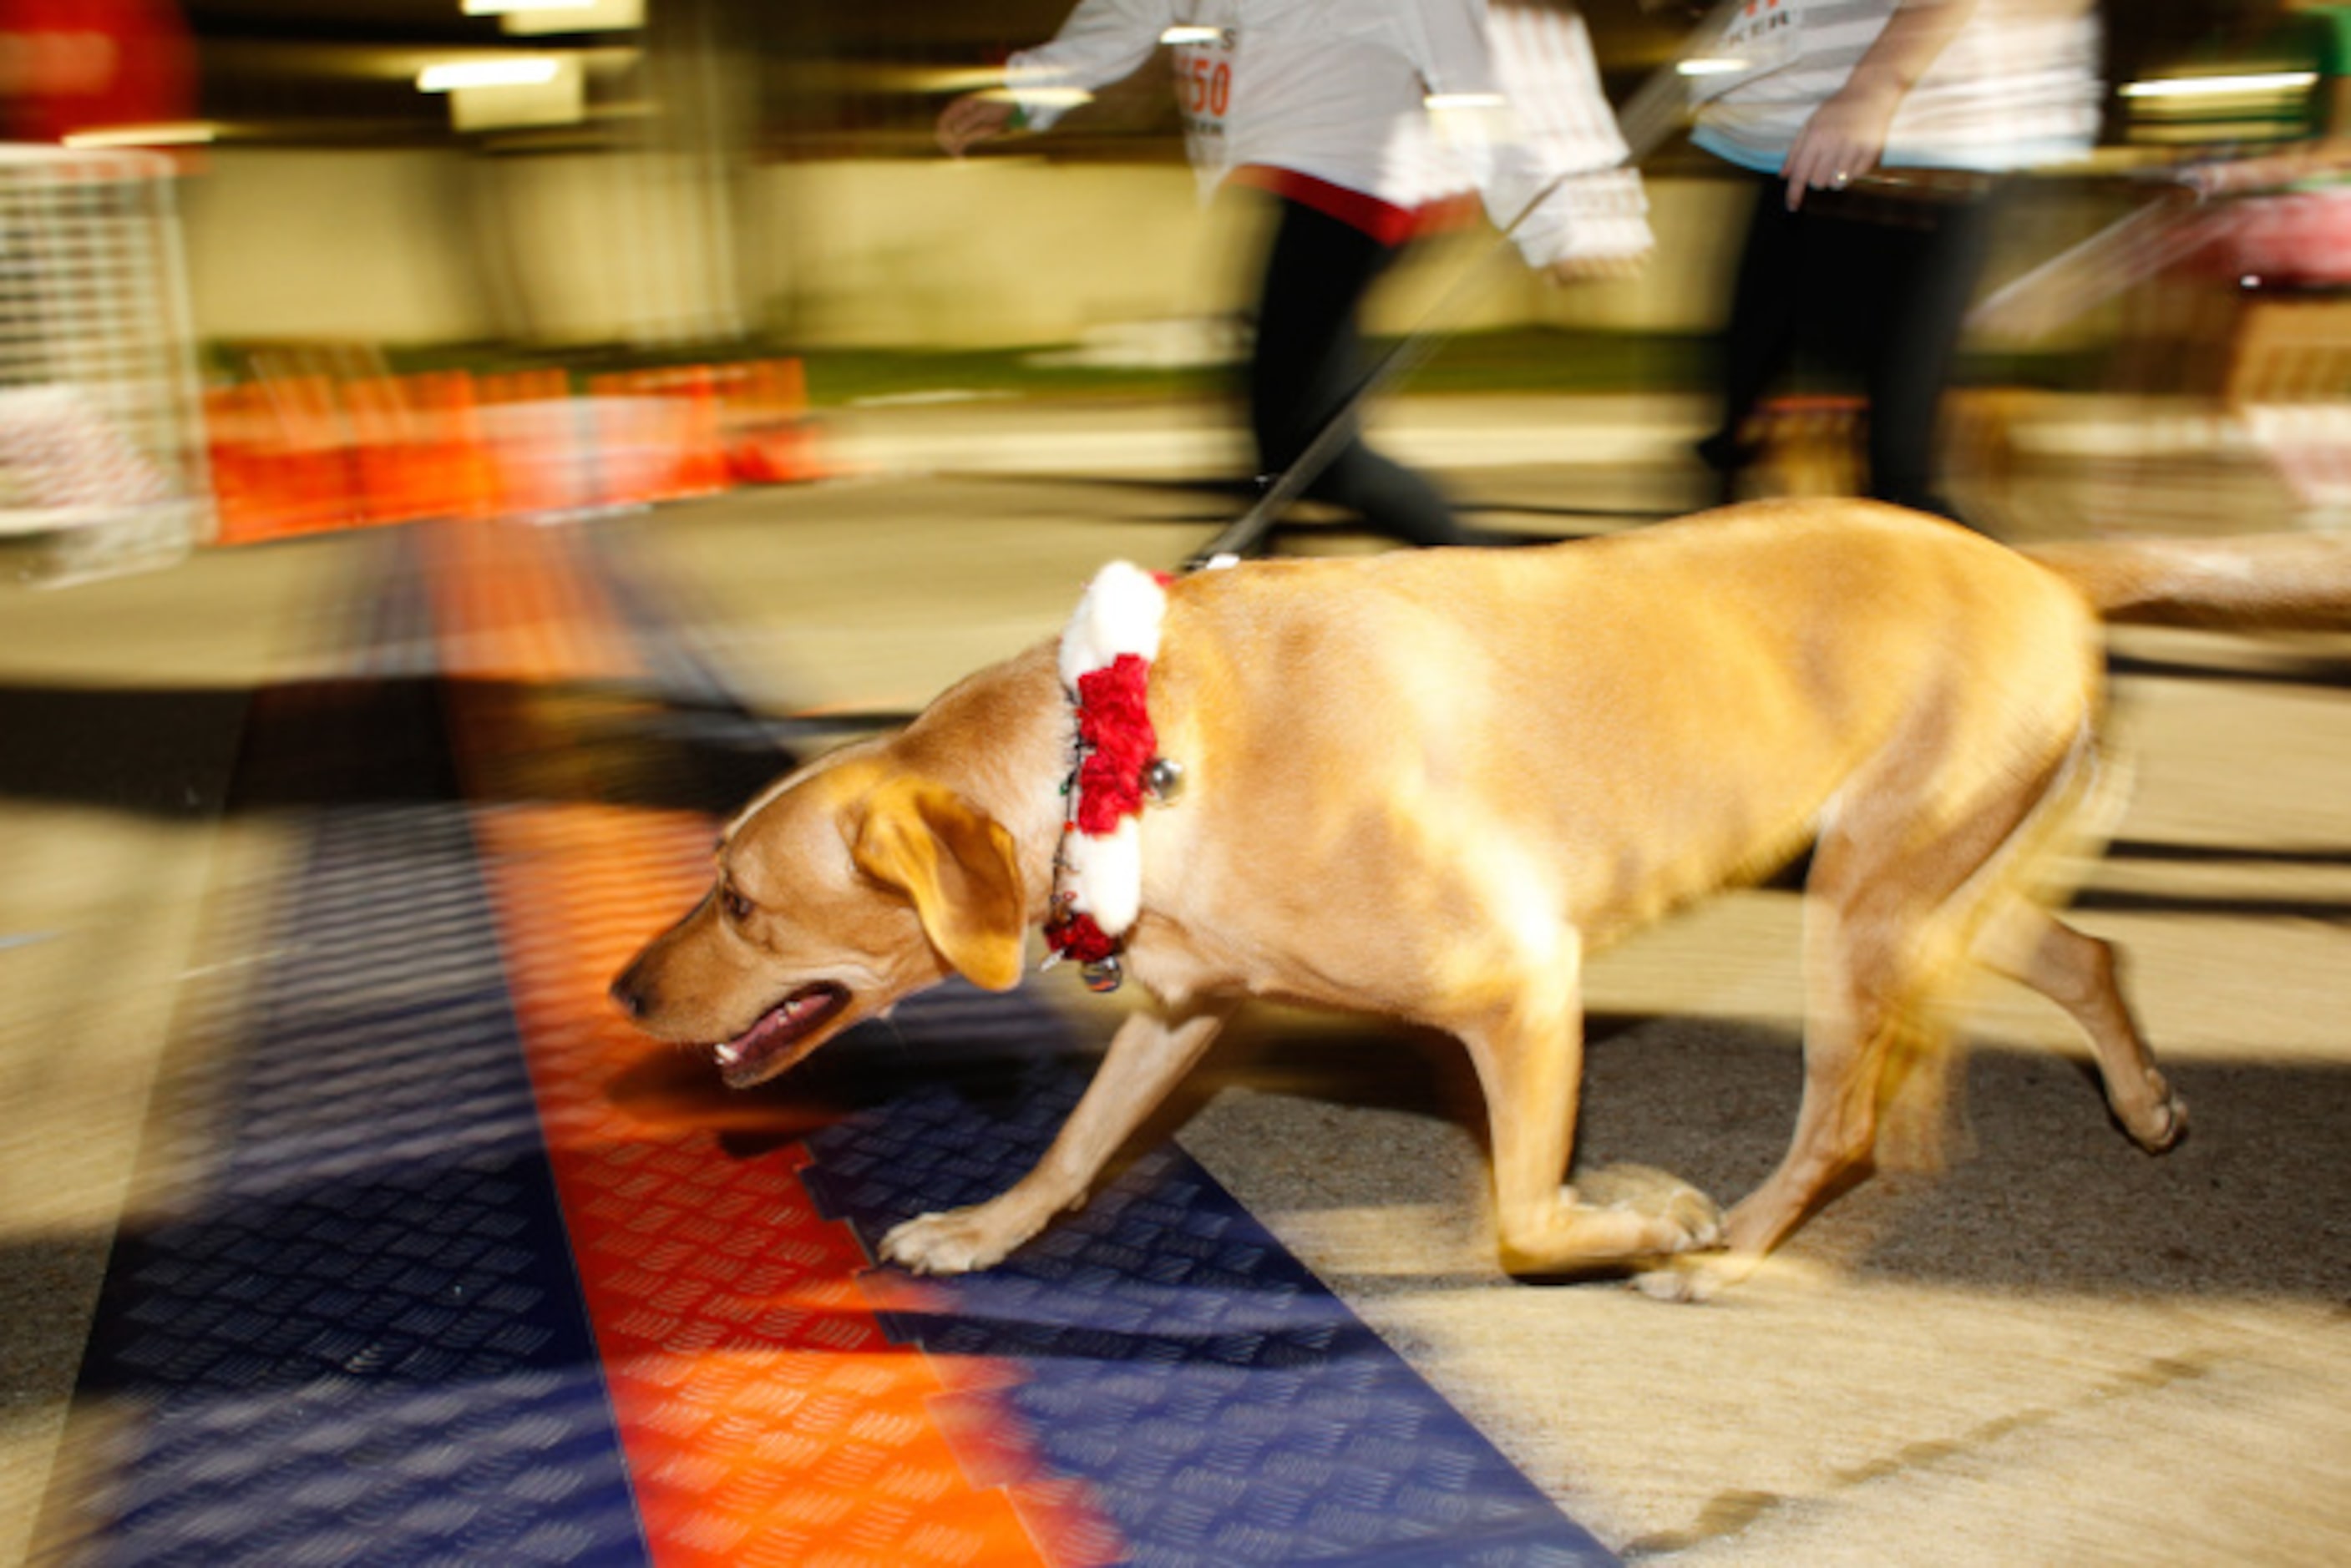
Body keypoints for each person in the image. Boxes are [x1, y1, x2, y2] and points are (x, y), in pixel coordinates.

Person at [938, 0, 1652, 550]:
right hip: (1298, 182)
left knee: (1312, 443)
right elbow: (1137, 8)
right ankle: (1258, 574)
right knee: (1279, 424)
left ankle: (1492, 577)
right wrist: (1029, 89)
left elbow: (1490, 60)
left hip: (1363, 189)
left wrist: (1572, 214)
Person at [1685, 0, 2105, 522]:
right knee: (1737, 433)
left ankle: (1958, 579)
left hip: (1916, 143)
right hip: (1790, 135)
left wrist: (1874, 89)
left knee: (1899, 462)